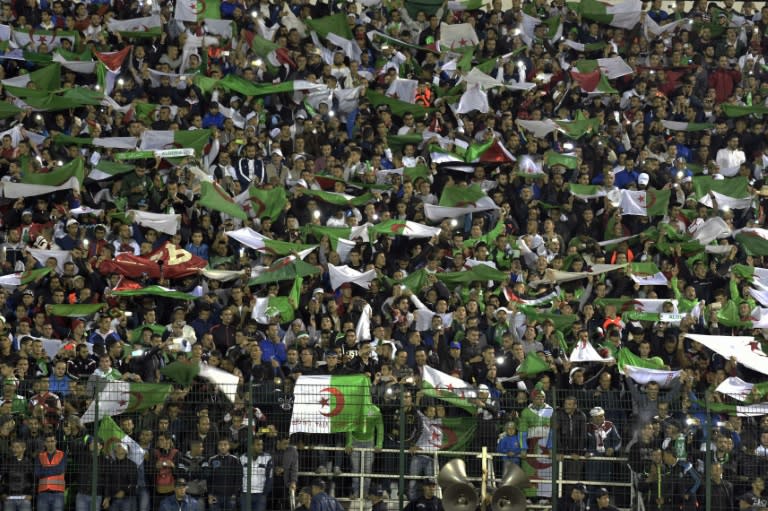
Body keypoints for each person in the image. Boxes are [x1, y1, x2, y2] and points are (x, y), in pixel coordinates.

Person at [35, 434, 67, 511]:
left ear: (56, 442)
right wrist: (54, 469)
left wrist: (44, 469)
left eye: (52, 441)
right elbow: (37, 473)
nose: (50, 444)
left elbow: (60, 469)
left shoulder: (62, 454)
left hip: (58, 492)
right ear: (45, 443)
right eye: (48, 442)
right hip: (43, 492)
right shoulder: (39, 456)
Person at [240, 438, 272, 511]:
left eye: (261, 445)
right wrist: (240, 490)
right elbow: (239, 476)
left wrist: (265, 492)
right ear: (251, 446)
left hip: (260, 494)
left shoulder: (267, 458)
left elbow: (269, 477)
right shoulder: (242, 458)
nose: (261, 447)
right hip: (245, 493)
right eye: (258, 445)